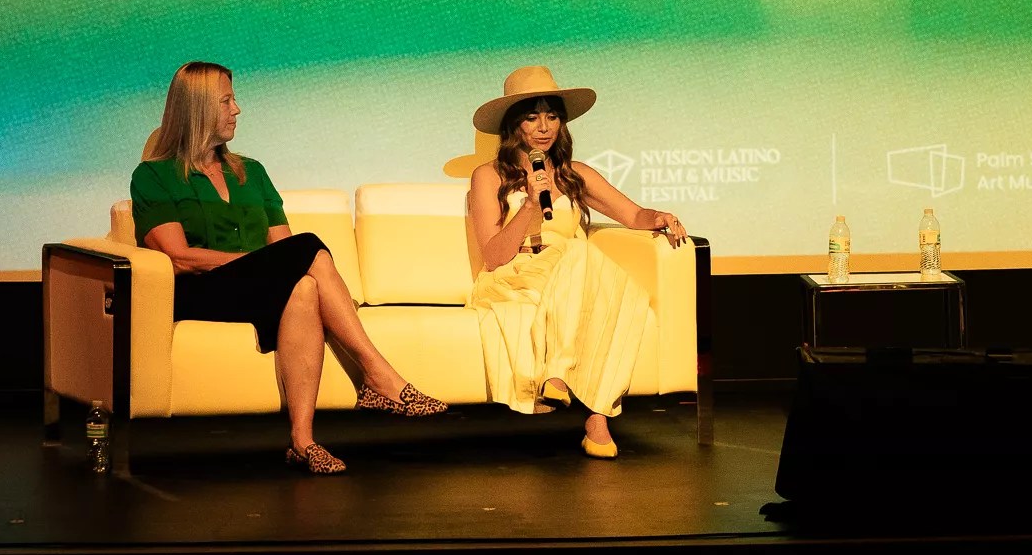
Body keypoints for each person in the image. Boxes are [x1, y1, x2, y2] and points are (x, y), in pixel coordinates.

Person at [130, 61, 443, 475]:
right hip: (200, 291)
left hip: (255, 290)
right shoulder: (154, 176)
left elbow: (284, 248)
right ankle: (377, 374)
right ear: (198, 108)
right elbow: (179, 256)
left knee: (305, 289)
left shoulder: (251, 172)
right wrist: (260, 264)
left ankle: (302, 440)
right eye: (227, 100)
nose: (237, 109)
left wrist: (285, 270)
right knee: (309, 246)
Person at [462, 65, 688, 459]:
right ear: (514, 126)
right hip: (518, 274)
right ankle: (594, 413)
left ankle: (578, 397)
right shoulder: (488, 176)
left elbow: (633, 215)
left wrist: (660, 218)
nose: (544, 127)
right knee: (583, 255)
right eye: (532, 117)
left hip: (571, 271)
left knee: (622, 291)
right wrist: (530, 204)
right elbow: (494, 257)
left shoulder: (574, 174)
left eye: (552, 116)